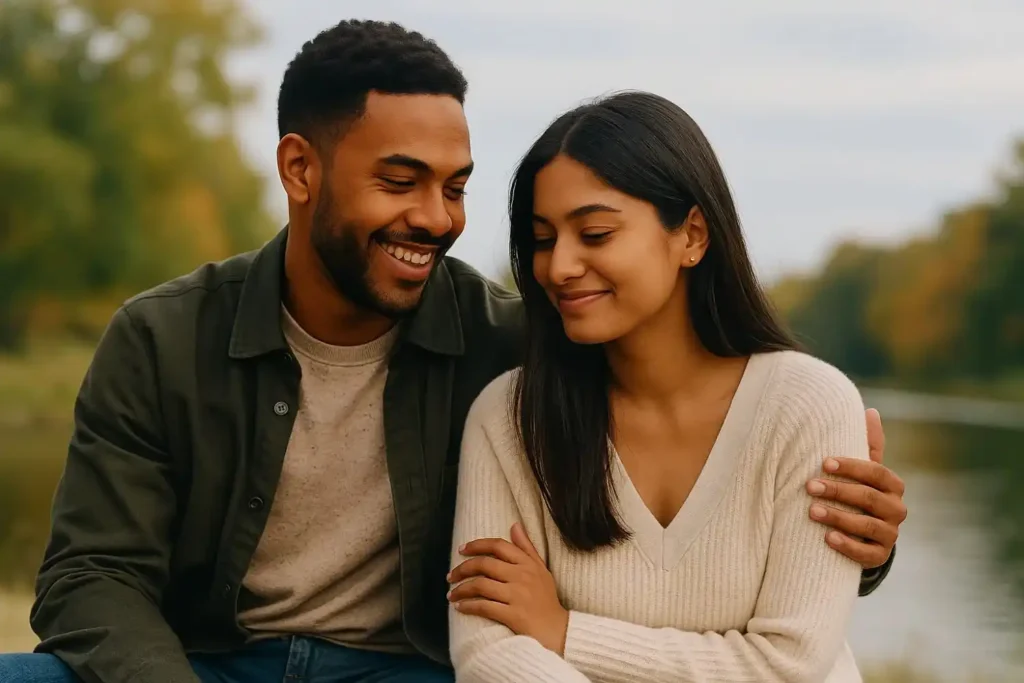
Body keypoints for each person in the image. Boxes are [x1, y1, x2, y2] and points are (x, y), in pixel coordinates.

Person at [0, 20, 905, 683]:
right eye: (401, 180)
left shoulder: (512, 343)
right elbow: (91, 575)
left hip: (406, 670)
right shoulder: (162, 337)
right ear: (299, 169)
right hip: (208, 662)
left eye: (456, 186)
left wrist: (861, 546)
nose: (436, 217)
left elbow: (726, 492)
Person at [446, 91, 896, 682]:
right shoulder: (508, 418)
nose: (558, 267)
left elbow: (789, 668)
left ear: (692, 235)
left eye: (596, 233)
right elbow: (490, 654)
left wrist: (566, 634)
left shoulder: (810, 407)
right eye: (543, 238)